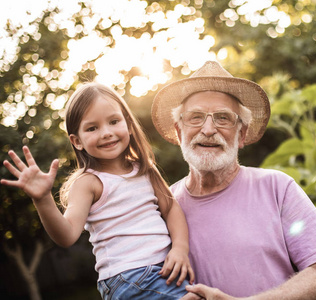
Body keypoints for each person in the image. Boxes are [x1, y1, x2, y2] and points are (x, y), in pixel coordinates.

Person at [151, 61, 316, 300]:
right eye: (196, 117)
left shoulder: (277, 188)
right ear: (179, 132)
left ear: (241, 134)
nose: (209, 129)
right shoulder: (163, 206)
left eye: (223, 118)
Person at [1, 83, 194, 299]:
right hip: (129, 277)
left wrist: (179, 248)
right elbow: (67, 235)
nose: (106, 133)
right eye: (92, 128)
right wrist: (43, 199)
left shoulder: (146, 170)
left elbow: (172, 210)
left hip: (165, 268)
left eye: (113, 122)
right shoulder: (88, 183)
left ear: (128, 124)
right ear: (77, 141)